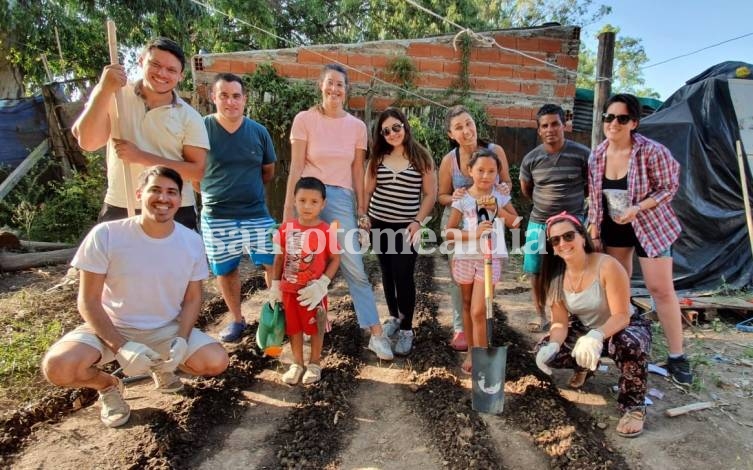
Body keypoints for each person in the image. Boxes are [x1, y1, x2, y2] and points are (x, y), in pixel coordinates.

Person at [41, 166, 229, 428]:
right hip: (110, 327)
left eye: (171, 192)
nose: (163, 198)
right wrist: (121, 347)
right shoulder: (107, 235)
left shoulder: (191, 241)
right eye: (155, 190)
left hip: (164, 328)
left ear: (180, 200)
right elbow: (88, 301)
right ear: (140, 194)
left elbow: (192, 298)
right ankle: (108, 386)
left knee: (215, 362)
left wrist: (182, 339)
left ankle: (161, 368)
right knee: (58, 367)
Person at [283, 63, 393, 360]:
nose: (334, 89)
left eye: (340, 85)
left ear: (346, 91)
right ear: (321, 86)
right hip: (307, 198)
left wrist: (361, 208)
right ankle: (300, 337)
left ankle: (375, 333)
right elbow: (295, 167)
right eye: (329, 83)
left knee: (354, 266)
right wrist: (288, 214)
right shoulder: (304, 120)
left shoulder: (356, 127)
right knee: (302, 266)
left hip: (342, 199)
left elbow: (358, 168)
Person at [587, 93, 692, 386]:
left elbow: (669, 187)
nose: (614, 124)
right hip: (615, 225)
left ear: (634, 122)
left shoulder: (651, 151)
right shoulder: (597, 155)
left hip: (650, 224)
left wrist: (639, 207)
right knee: (618, 288)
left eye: (622, 118)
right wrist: (595, 229)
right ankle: (622, 343)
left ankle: (677, 356)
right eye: (609, 117)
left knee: (660, 288)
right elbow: (594, 196)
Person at [534, 212, 651, 438]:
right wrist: (554, 345)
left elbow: (621, 315)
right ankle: (586, 365)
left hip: (621, 326)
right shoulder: (556, 276)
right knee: (545, 351)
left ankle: (634, 407)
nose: (563, 243)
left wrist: (596, 336)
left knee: (629, 344)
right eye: (555, 240)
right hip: (586, 328)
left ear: (582, 237)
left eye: (568, 236)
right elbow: (559, 322)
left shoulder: (607, 266)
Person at [72, 37, 209, 230]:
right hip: (121, 203)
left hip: (172, 207)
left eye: (171, 70)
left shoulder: (189, 117)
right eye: (155, 64)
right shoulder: (115, 95)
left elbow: (197, 171)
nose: (162, 73)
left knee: (169, 261)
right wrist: (103, 89)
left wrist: (140, 157)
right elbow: (88, 142)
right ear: (141, 61)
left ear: (180, 76)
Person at [200, 73, 277, 342]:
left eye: (236, 96)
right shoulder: (202, 129)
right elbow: (192, 170)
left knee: (273, 263)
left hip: (256, 212)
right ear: (213, 97)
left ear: (244, 99)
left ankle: (276, 313)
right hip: (217, 216)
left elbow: (268, 171)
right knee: (226, 270)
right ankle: (237, 320)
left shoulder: (258, 132)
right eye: (224, 95)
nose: (230, 101)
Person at [437, 105, 512, 352]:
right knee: (461, 281)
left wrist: (503, 191)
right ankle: (462, 327)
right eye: (459, 127)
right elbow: (441, 196)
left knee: (486, 279)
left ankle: (482, 329)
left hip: (488, 223)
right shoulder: (450, 160)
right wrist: (455, 196)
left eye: (469, 123)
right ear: (451, 134)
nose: (466, 130)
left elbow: (507, 183)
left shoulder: (494, 151)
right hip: (459, 223)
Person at [365, 108, 437, 356]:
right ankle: (394, 318)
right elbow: (367, 191)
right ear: (381, 135)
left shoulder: (421, 157)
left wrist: (418, 221)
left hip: (407, 228)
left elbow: (431, 194)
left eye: (397, 127)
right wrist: (364, 216)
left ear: (405, 126)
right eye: (386, 131)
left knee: (404, 276)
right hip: (379, 225)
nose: (393, 133)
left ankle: (407, 329)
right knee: (386, 271)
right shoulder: (378, 158)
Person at [445, 149, 520, 373]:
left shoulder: (500, 196)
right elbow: (449, 232)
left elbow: (515, 222)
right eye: (480, 170)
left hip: (490, 258)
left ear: (498, 174)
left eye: (491, 171)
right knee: (467, 305)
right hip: (465, 257)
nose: (486, 176)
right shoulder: (463, 198)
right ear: (470, 171)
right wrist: (474, 234)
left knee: (479, 310)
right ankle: (471, 351)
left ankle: (483, 356)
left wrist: (497, 211)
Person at [520, 104, 590, 332]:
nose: (550, 129)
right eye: (544, 125)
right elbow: (526, 189)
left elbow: (590, 187)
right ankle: (540, 315)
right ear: (539, 130)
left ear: (564, 125)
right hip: (539, 222)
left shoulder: (582, 154)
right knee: (535, 270)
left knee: (574, 269)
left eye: (555, 124)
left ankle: (573, 317)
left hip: (573, 225)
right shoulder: (531, 159)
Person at [268, 177, 340, 384]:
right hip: (289, 290)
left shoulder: (327, 231)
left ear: (323, 204)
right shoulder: (285, 228)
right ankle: (297, 363)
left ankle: (315, 363)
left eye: (314, 202)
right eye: (302, 200)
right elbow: (279, 257)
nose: (307, 206)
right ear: (294, 200)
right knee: (293, 328)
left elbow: (336, 259)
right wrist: (275, 285)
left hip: (313, 293)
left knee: (316, 327)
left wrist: (323, 283)